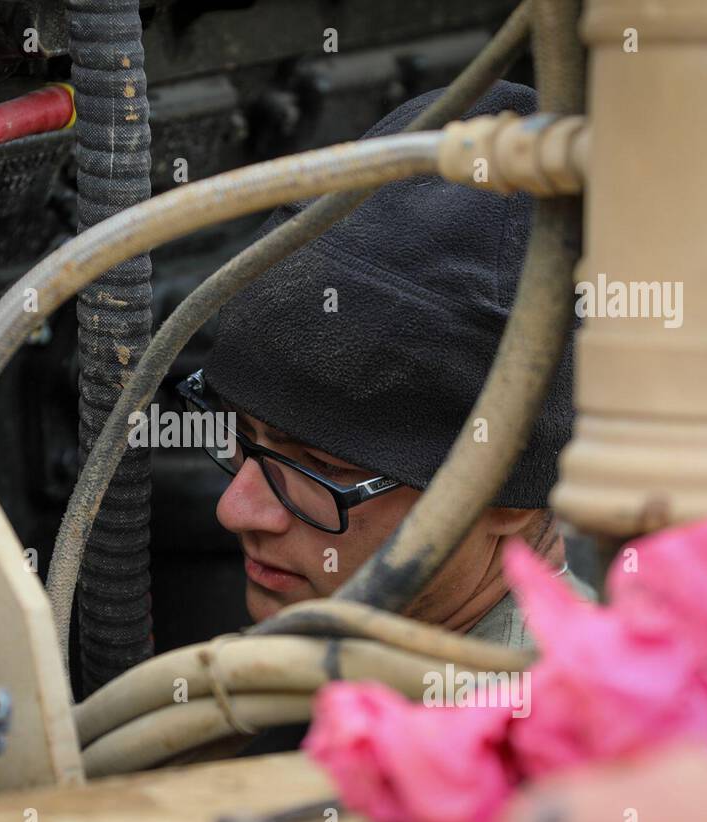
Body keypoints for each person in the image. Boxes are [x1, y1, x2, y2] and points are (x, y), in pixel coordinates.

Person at [179, 79, 592, 649]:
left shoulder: (530, 729)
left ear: (504, 499)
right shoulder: (343, 667)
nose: (237, 509)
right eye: (242, 435)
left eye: (321, 465)